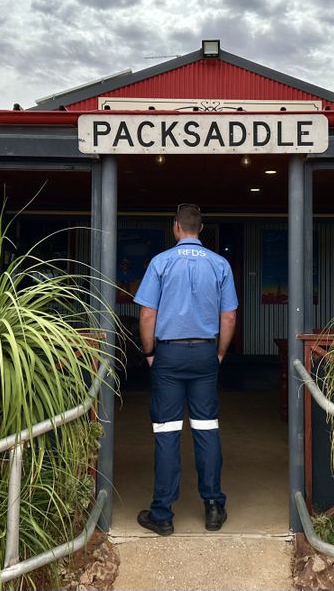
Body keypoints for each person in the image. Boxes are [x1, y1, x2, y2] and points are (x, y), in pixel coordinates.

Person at [133, 203, 238, 536]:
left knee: (167, 433)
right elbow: (229, 317)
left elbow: (147, 316)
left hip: (169, 356)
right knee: (207, 429)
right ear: (201, 229)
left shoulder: (161, 262)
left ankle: (162, 514)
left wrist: (149, 352)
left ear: (176, 227)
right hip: (205, 354)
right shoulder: (220, 264)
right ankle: (213, 507)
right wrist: (219, 352)